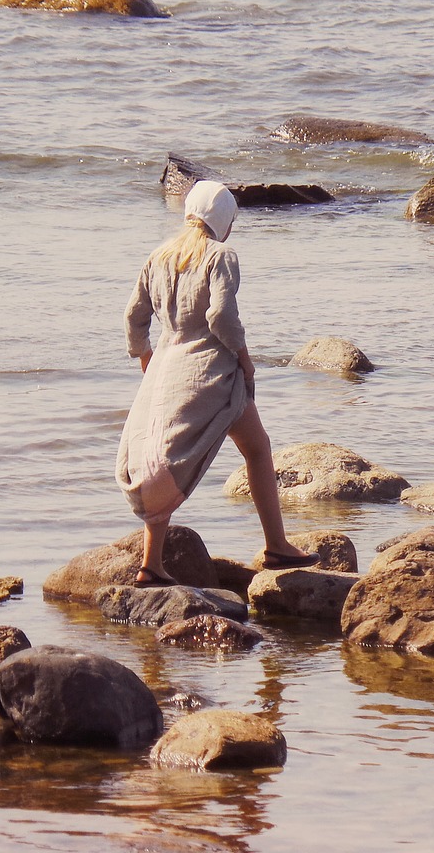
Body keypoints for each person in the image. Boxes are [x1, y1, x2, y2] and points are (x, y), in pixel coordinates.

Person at [116, 180, 319, 587]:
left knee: (162, 452)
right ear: (224, 221)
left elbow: (133, 317)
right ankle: (276, 545)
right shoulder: (221, 255)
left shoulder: (158, 256)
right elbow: (221, 318)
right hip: (213, 370)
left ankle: (151, 563)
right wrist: (246, 362)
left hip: (167, 367)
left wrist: (146, 358)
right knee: (258, 450)